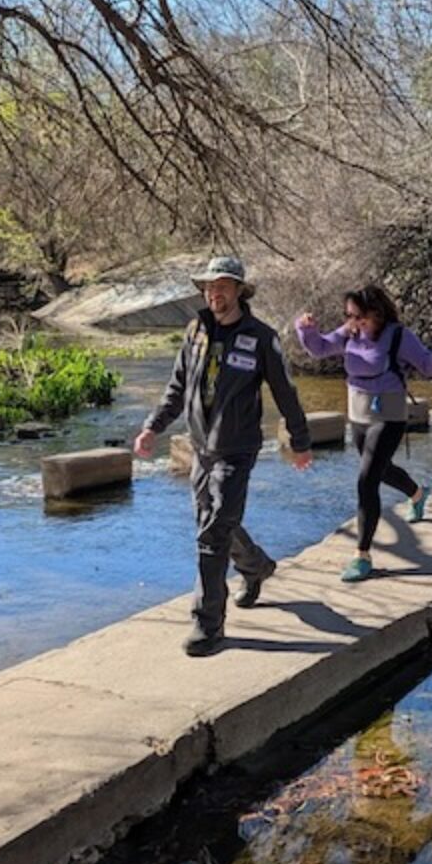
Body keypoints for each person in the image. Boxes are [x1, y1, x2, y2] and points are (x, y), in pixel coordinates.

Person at [134, 256, 312, 658]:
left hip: (238, 449)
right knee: (213, 523)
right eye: (210, 287)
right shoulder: (196, 330)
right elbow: (177, 386)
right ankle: (255, 566)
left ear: (238, 292)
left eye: (223, 286)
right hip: (201, 447)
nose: (215, 293)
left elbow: (286, 393)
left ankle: (208, 625)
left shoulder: (261, 337)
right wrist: (152, 427)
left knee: (212, 533)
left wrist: (300, 442)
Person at [296, 284, 432, 582]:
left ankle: (362, 555)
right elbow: (319, 348)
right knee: (380, 471)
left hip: (390, 413)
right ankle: (418, 493)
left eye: (358, 316)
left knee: (366, 479)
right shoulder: (349, 333)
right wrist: (305, 329)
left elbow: (427, 365)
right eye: (349, 315)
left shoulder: (398, 335)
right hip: (358, 412)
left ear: (376, 313)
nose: (352, 322)